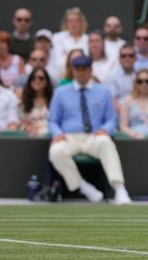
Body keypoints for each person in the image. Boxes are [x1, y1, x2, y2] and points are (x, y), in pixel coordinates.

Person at [48, 54, 131, 204]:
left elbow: (112, 119)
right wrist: (58, 133)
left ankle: (119, 189)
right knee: (55, 151)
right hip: (69, 137)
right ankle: (83, 187)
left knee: (106, 142)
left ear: (90, 70)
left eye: (84, 69)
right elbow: (53, 120)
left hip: (94, 136)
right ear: (72, 71)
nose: (81, 72)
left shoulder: (104, 92)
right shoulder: (60, 92)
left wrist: (106, 129)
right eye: (78, 69)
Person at [51, 8, 89, 73]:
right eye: (70, 21)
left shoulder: (88, 39)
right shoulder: (57, 37)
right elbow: (57, 59)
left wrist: (67, 55)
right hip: (62, 74)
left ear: (82, 22)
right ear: (66, 23)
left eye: (76, 21)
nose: (73, 24)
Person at [19, 67, 53, 137]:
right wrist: (30, 128)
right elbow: (22, 122)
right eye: (33, 78)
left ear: (46, 81)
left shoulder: (53, 100)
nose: (37, 80)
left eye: (41, 78)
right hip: (29, 135)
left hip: (48, 135)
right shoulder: (24, 101)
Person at [104, 44, 137, 109]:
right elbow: (112, 102)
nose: (127, 58)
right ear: (119, 59)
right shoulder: (111, 76)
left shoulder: (141, 75)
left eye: (130, 55)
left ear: (135, 58)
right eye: (123, 56)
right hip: (120, 114)